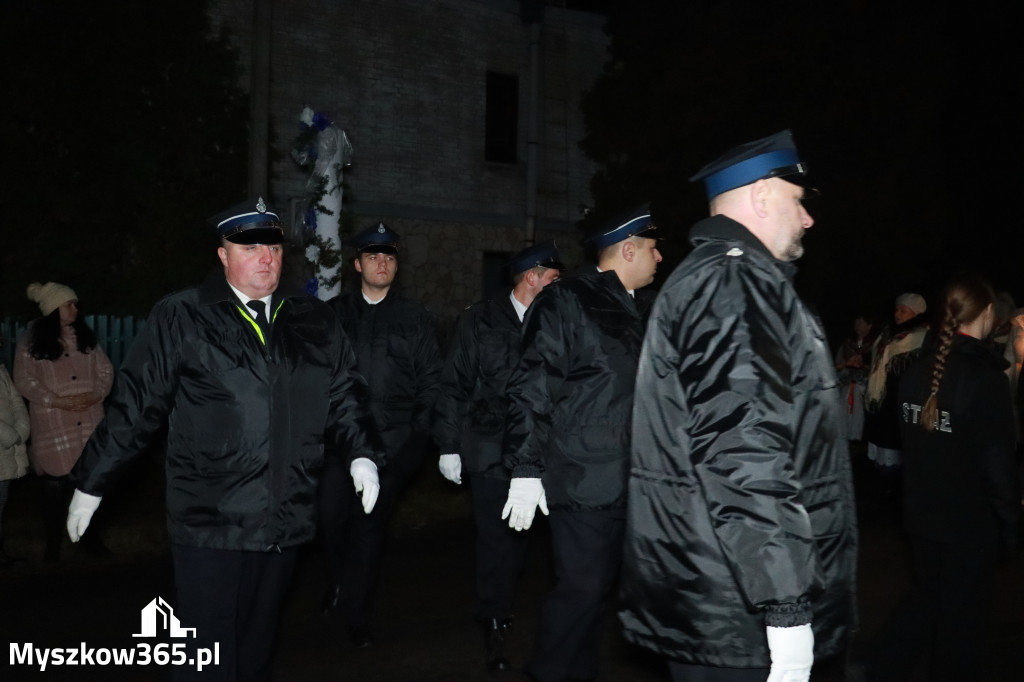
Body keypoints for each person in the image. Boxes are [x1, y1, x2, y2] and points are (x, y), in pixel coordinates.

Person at [65, 197, 383, 682]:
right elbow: (138, 402)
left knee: (257, 642)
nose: (265, 258)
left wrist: (362, 453)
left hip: (284, 514)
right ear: (223, 255)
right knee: (206, 652)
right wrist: (92, 481)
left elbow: (344, 391)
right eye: (250, 247)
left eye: (273, 248)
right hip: (210, 518)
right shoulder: (184, 315)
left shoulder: (312, 319)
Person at [619, 130, 858, 682]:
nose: (807, 220)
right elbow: (742, 444)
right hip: (736, 605)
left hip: (724, 593)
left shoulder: (721, 277)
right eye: (799, 203)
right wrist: (787, 604)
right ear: (762, 196)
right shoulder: (733, 282)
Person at [501, 206, 662, 682]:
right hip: (581, 478)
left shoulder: (640, 307)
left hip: (629, 479)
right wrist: (526, 467)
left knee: (598, 596)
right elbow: (534, 384)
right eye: (652, 247)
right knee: (581, 590)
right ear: (627, 250)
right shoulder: (567, 300)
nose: (660, 256)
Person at [858, 273, 1020, 682]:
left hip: (921, 517)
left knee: (929, 597)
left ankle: (877, 665)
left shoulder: (914, 371)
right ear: (986, 314)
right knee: (961, 623)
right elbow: (996, 464)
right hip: (968, 524)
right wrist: (1010, 526)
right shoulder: (985, 380)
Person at [433, 242, 564, 672]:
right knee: (495, 540)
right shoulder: (480, 320)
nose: (557, 285)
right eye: (552, 278)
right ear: (531, 277)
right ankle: (493, 619)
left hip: (542, 453)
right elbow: (454, 385)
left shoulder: (559, 321)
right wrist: (448, 445)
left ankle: (504, 601)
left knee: (522, 541)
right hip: (489, 451)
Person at [318, 221, 442, 647]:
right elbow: (319, 378)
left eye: (389, 256)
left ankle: (356, 613)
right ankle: (339, 580)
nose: (382, 263)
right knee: (331, 518)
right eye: (373, 256)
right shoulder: (335, 314)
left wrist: (416, 443)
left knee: (368, 529)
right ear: (358, 264)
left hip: (392, 445)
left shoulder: (413, 318)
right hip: (340, 445)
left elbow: (430, 382)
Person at [14, 281, 113, 561]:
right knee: (54, 488)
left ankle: (90, 540)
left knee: (90, 483)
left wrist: (96, 393)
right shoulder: (31, 340)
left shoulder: (85, 338)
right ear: (53, 308)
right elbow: (24, 379)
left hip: (89, 420)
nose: (75, 309)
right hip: (54, 423)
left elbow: (105, 369)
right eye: (69, 304)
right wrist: (54, 400)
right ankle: (53, 545)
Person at [863, 292, 930, 494]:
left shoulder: (922, 336)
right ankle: (882, 482)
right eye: (897, 310)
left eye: (904, 311)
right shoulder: (887, 333)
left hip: (902, 397)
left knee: (898, 440)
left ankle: (900, 486)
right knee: (882, 439)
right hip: (882, 397)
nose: (898, 314)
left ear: (916, 313)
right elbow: (877, 361)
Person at [0, 344, 31, 566]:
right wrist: (9, 434)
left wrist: (22, 428)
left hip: (7, 453)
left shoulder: (1, 369)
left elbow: (16, 401)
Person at [834, 312, 877, 441]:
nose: (857, 325)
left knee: (857, 392)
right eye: (856, 322)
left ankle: (857, 435)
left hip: (865, 382)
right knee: (846, 394)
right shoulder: (847, 343)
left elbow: (877, 366)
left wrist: (863, 364)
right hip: (847, 380)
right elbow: (839, 363)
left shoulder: (874, 345)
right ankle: (843, 433)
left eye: (861, 322)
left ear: (869, 326)